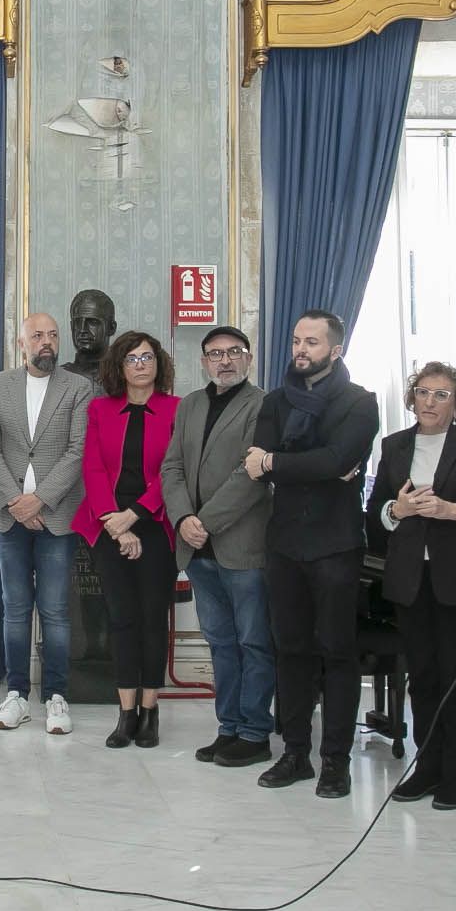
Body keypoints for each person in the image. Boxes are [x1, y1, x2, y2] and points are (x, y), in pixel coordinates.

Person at [248, 310, 378, 797]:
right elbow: (256, 465)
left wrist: (280, 462)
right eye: (297, 340)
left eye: (313, 342)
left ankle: (335, 761)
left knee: (338, 654)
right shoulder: (277, 401)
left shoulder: (359, 402)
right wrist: (312, 465)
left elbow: (337, 460)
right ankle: (296, 753)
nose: (301, 350)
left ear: (336, 350)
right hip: (284, 544)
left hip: (336, 545)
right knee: (291, 651)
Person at [369, 361, 456, 809]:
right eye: (423, 392)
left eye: (442, 394)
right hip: (409, 578)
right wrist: (397, 511)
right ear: (411, 397)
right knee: (422, 676)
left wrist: (454, 511)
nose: (430, 401)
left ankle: (455, 774)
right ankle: (427, 765)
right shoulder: (394, 444)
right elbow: (376, 514)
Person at [159, 327, 275, 766]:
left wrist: (202, 522)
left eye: (233, 353)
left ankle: (255, 732)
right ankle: (228, 727)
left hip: (242, 548)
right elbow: (172, 467)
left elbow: (252, 476)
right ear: (203, 361)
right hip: (199, 551)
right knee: (220, 644)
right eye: (215, 354)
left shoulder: (263, 405)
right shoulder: (190, 404)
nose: (224, 361)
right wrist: (182, 519)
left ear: (248, 358)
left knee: (254, 643)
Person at [0, 310, 87, 733]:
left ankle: (57, 697)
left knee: (57, 610)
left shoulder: (78, 387)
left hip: (56, 516)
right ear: (21, 343)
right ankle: (17, 695)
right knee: (16, 608)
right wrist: (15, 502)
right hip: (7, 518)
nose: (47, 341)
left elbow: (78, 451)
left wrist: (40, 500)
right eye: (37, 335)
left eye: (53, 335)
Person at [81, 331, 180, 748]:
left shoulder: (178, 409)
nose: (140, 365)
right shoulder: (100, 409)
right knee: (121, 617)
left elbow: (174, 471)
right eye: (132, 359)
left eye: (147, 357)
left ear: (158, 364)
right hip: (106, 525)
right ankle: (125, 713)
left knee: (153, 619)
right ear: (119, 367)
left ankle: (150, 710)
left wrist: (134, 517)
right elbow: (92, 468)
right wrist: (114, 522)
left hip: (156, 526)